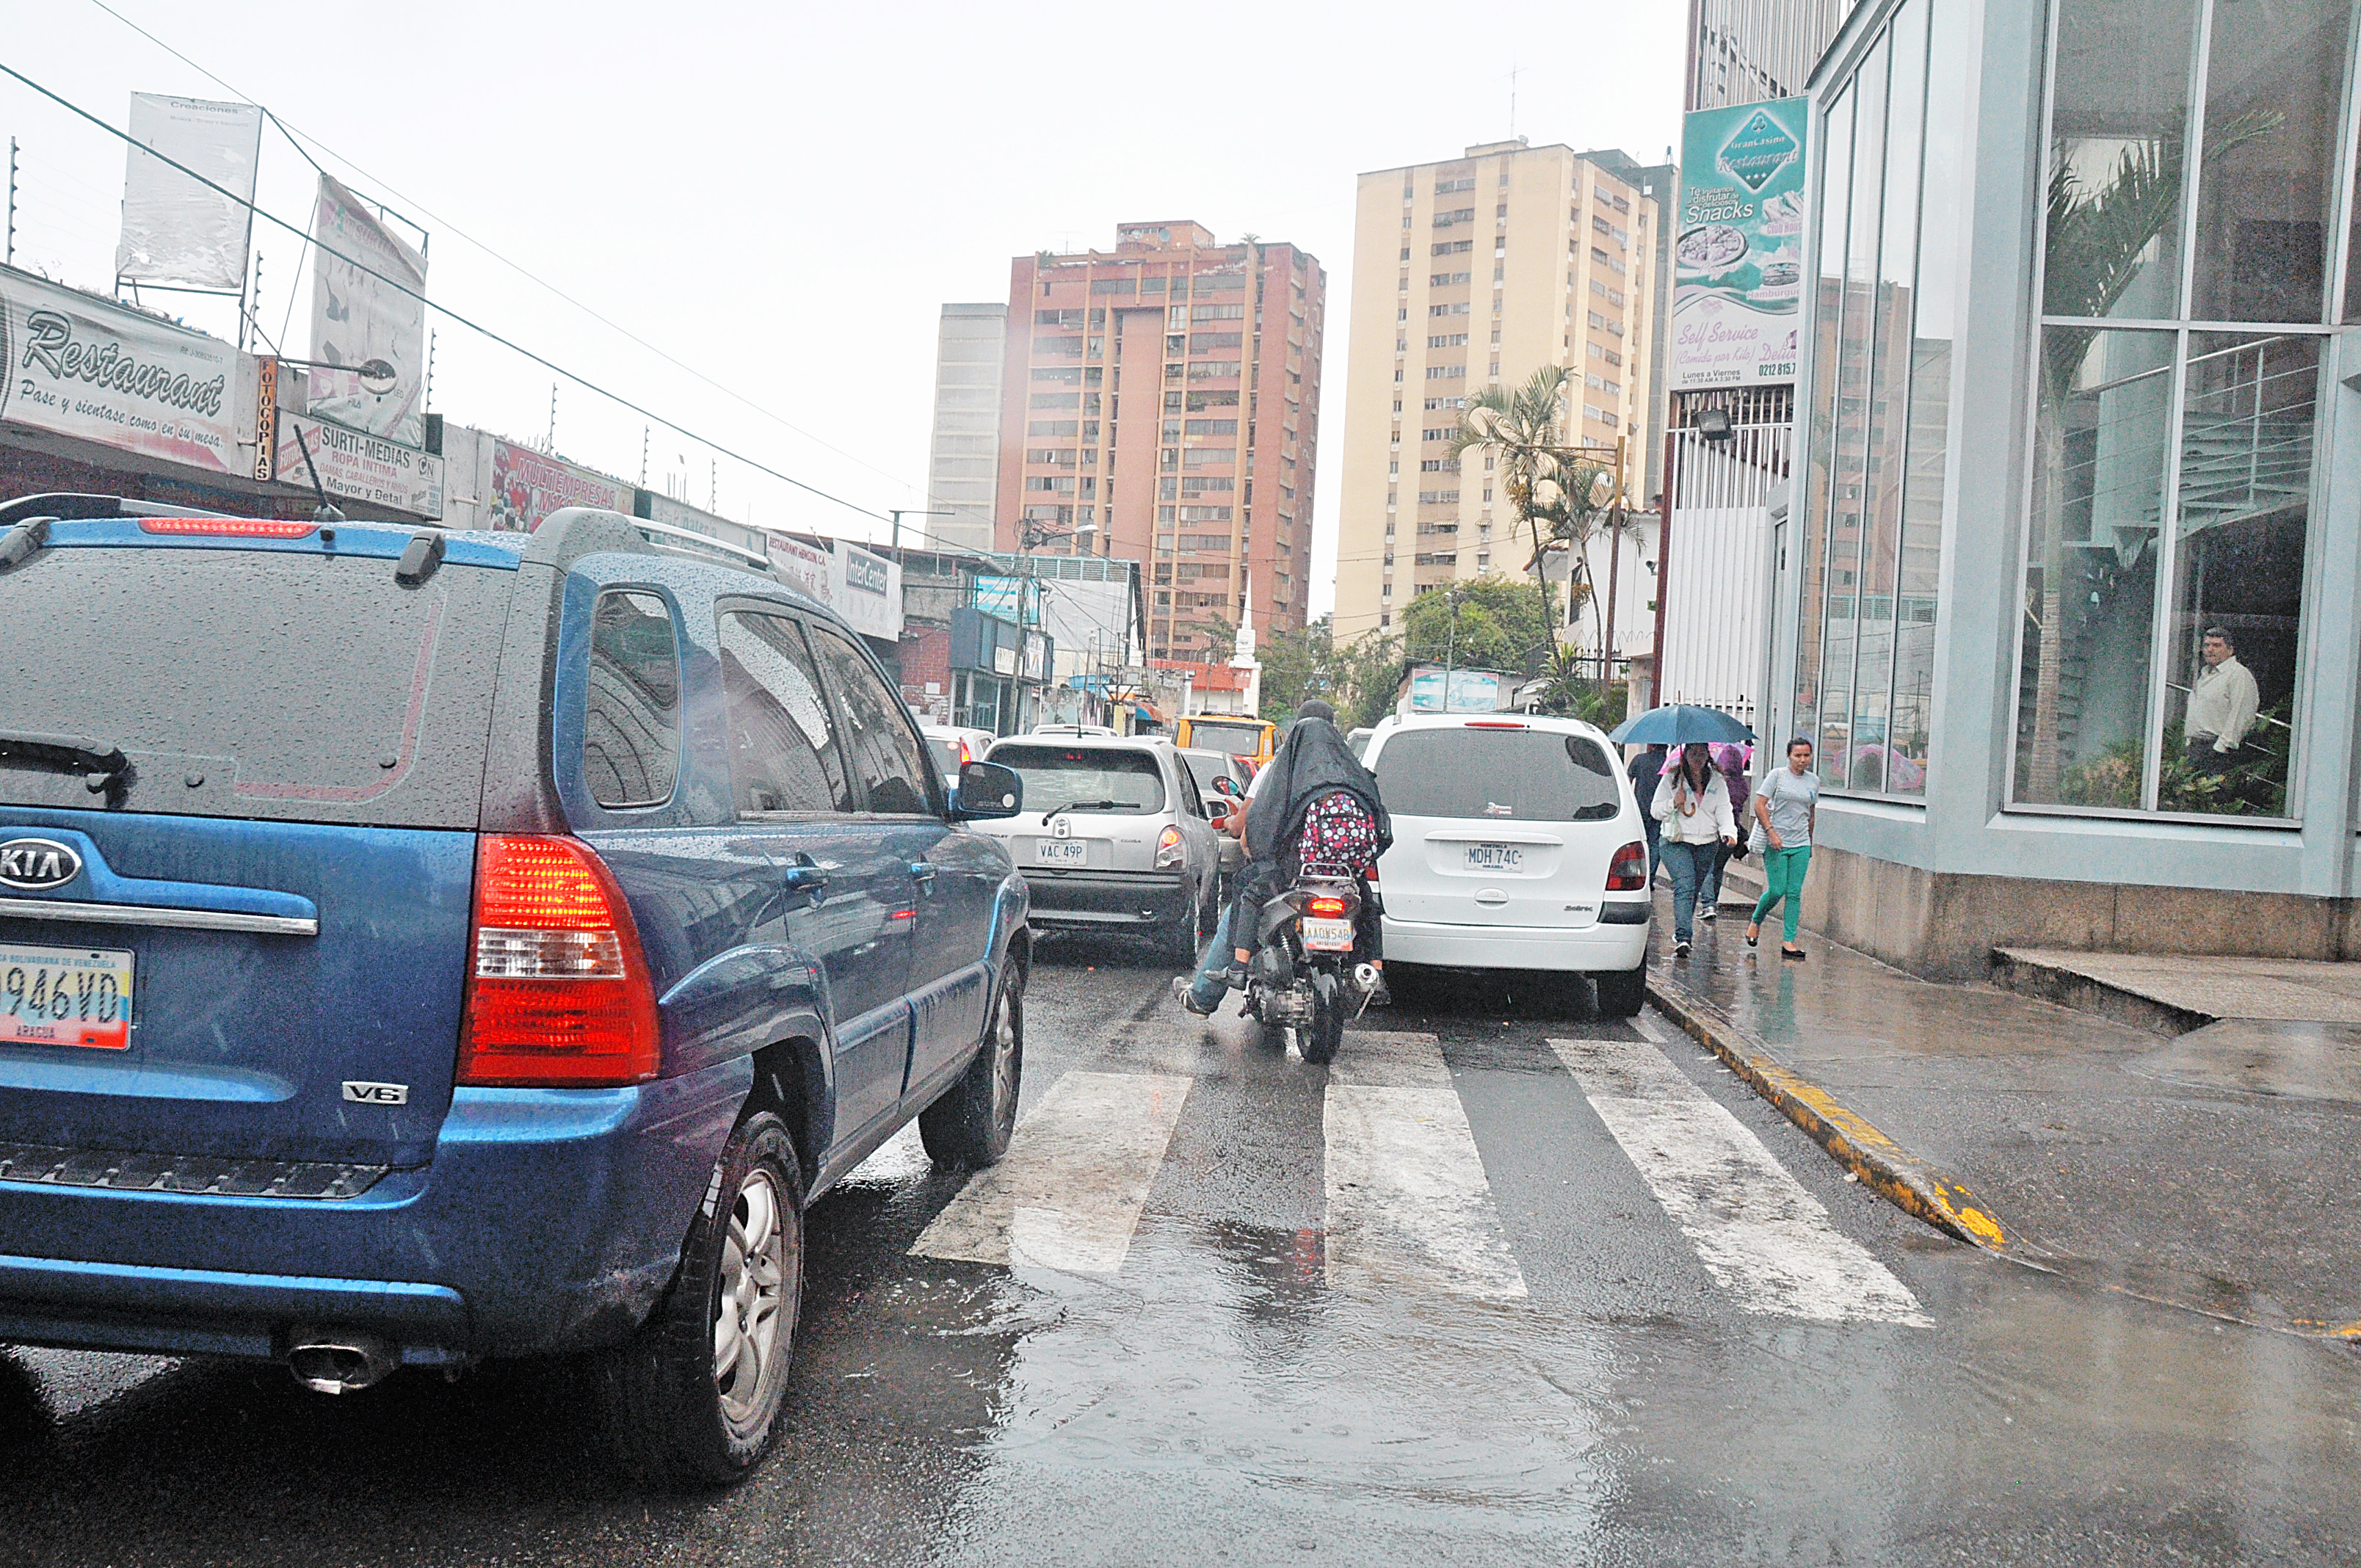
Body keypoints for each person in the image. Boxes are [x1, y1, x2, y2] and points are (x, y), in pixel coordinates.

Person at [1174, 700, 1390, 1015]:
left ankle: (1231, 972)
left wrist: (1265, 852)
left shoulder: (1280, 770)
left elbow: (1256, 825)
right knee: (1370, 904)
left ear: (1295, 732)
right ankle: (1376, 972)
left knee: (1246, 891)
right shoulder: (1352, 771)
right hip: (1345, 873)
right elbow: (1381, 821)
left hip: (1294, 872)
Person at [1651, 741, 1736, 958]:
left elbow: (1724, 808)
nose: (1697, 758)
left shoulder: (1716, 780)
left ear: (1708, 755)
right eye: (1693, 753)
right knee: (1685, 886)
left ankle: (1683, 927)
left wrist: (1729, 831)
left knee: (1694, 889)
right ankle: (1683, 937)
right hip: (1676, 842)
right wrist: (1673, 802)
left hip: (1707, 844)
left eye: (1702, 753)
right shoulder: (1672, 779)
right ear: (1685, 754)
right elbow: (1655, 810)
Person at [1747, 737, 1820, 961]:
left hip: (1800, 843)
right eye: (1798, 755)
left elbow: (1811, 813)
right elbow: (1759, 804)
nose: (1802, 760)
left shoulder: (1814, 781)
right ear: (1789, 756)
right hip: (1776, 841)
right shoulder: (1777, 776)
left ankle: (1788, 941)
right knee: (1777, 890)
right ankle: (1756, 921)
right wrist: (1771, 832)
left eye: (1806, 755)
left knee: (1795, 893)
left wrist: (1809, 842)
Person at [2183, 626, 2259, 776]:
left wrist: (2221, 748)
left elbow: (2242, 714)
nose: (2210, 650)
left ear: (2230, 650)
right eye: (2207, 645)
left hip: (2219, 752)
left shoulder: (2238, 675)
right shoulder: (2205, 674)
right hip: (2197, 748)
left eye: (2217, 646)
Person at [1695, 742, 1750, 921]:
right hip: (1732, 831)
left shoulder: (1719, 782)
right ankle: (1713, 902)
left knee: (1706, 868)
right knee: (1718, 869)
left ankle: (1708, 904)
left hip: (1716, 830)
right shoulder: (1742, 785)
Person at [1625, 742, 1668, 885]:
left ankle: (1637, 876)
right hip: (1660, 810)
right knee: (1655, 844)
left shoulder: (1639, 760)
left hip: (1640, 809)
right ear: (1666, 747)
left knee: (1638, 843)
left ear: (1651, 745)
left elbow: (1628, 782)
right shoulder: (1668, 764)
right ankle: (1650, 879)